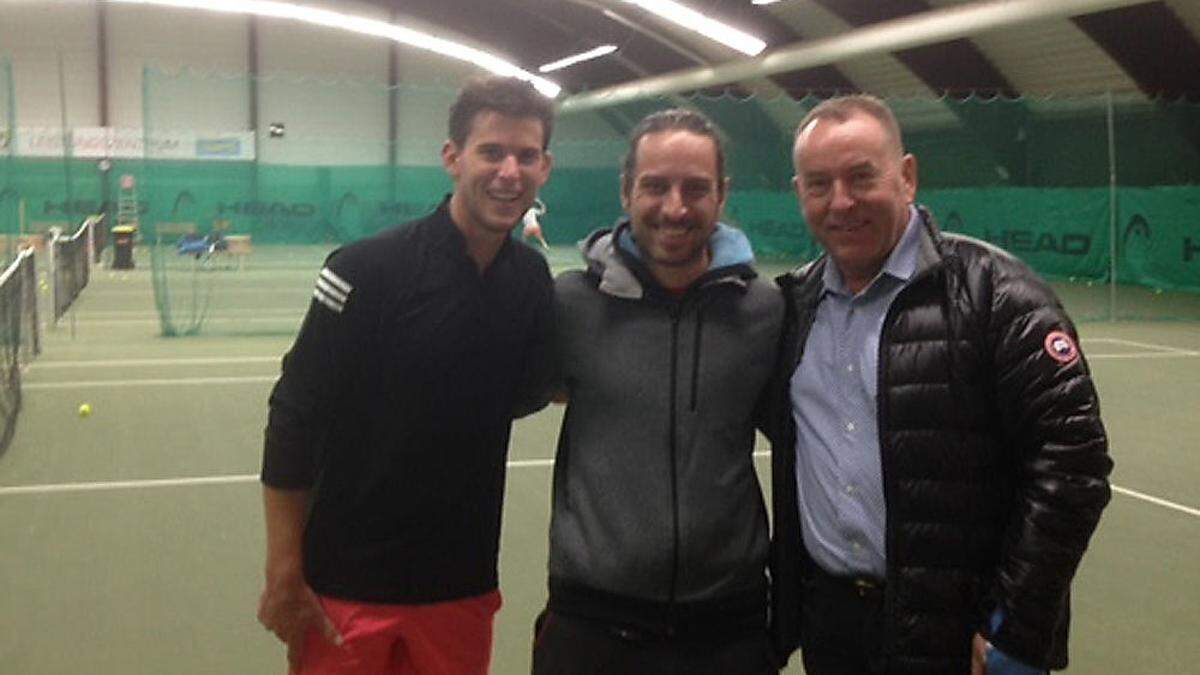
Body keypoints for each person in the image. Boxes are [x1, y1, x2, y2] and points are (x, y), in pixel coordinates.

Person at [766, 94, 1113, 674]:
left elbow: (1073, 462)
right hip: (834, 630)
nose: (841, 202)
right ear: (798, 191)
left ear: (906, 177)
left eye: (860, 177)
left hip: (960, 635)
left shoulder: (998, 296)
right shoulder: (792, 307)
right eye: (819, 183)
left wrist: (1015, 624)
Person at [256, 76, 555, 675]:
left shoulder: (531, 282)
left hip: (461, 589)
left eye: (526, 155)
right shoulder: (365, 269)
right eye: (491, 151)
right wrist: (284, 568)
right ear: (452, 157)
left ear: (545, 167)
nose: (509, 171)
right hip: (345, 587)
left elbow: (529, 391)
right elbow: (294, 416)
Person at [532, 109, 783, 675]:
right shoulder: (570, 304)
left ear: (722, 195)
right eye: (655, 186)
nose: (675, 207)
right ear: (626, 191)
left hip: (729, 628)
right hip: (590, 625)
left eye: (696, 188)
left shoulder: (765, 310)